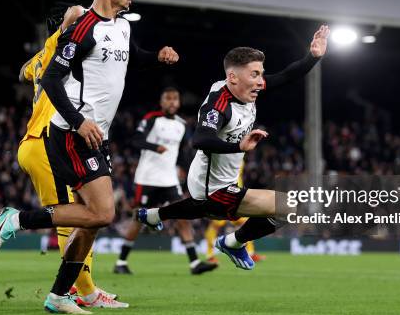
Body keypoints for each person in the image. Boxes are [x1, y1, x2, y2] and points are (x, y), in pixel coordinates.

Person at [0, 0, 179, 314]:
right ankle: (17, 220)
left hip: (96, 135)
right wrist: (78, 120)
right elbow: (51, 79)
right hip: (71, 134)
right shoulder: (82, 29)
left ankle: (60, 295)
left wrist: (158, 56)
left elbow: (131, 54)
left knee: (93, 218)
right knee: (102, 214)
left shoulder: (122, 25)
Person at [136, 25, 330, 270]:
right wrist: (238, 145)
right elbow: (200, 139)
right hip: (214, 188)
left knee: (200, 208)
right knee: (288, 207)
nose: (261, 82)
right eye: (255, 75)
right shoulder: (219, 105)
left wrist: (313, 56)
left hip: (215, 182)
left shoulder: (242, 90)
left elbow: (286, 76)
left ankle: (153, 215)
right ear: (233, 78)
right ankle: (233, 242)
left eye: (261, 74)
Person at [17, 4, 126, 309]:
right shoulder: (67, 44)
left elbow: (24, 71)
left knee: (86, 214)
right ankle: (83, 291)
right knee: (76, 217)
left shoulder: (46, 53)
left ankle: (83, 290)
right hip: (47, 139)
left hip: (39, 139)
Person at [114, 88, 217, 275]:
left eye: (175, 99)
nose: (171, 102)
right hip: (147, 178)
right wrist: (154, 147)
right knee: (138, 218)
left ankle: (194, 263)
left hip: (169, 179)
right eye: (168, 99)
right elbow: (135, 140)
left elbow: (184, 151)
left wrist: (185, 169)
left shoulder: (182, 125)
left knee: (182, 216)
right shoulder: (151, 119)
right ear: (161, 102)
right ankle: (121, 262)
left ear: (178, 102)